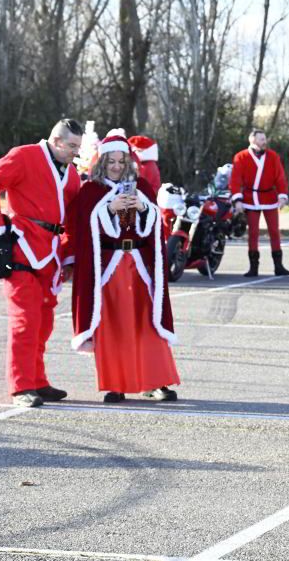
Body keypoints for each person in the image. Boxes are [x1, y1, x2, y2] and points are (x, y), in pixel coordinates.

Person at [0, 119, 83, 407]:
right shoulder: (24, 156)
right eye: (72, 146)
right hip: (21, 248)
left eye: (78, 147)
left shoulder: (72, 175)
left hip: (51, 254)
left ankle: (37, 380)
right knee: (25, 320)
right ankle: (21, 386)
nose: (76, 152)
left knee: (44, 321)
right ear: (57, 141)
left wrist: (69, 256)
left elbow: (72, 218)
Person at [70, 131, 179, 403]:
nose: (117, 166)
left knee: (148, 322)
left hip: (140, 265)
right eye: (111, 162)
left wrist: (144, 208)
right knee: (111, 324)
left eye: (121, 161)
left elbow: (156, 227)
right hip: (107, 266)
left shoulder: (141, 185)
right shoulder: (91, 191)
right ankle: (115, 383)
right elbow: (81, 230)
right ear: (101, 163)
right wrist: (107, 209)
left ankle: (156, 382)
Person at [230, 129, 289, 278]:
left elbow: (280, 177)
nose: (264, 142)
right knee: (253, 233)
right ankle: (253, 267)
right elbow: (235, 179)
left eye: (264, 139)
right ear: (252, 140)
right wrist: (237, 199)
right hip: (250, 198)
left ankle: (279, 266)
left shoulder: (273, 156)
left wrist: (282, 195)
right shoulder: (241, 157)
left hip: (269, 197)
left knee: (274, 232)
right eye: (261, 139)